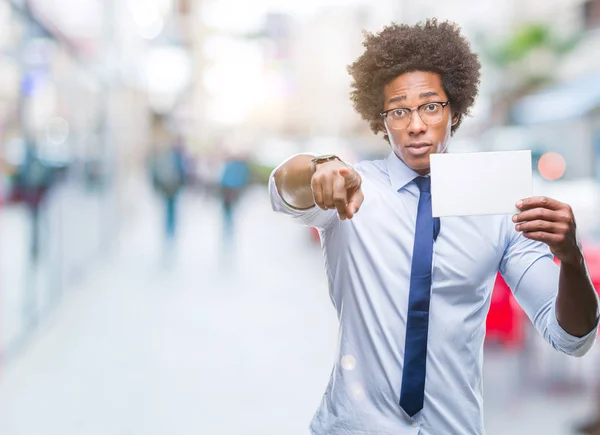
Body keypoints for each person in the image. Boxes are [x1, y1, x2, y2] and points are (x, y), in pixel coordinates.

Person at [269, 19, 599, 435]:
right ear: (380, 118)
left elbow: (572, 337)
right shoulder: (353, 189)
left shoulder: (497, 203)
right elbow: (281, 190)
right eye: (398, 110)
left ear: (454, 110)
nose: (416, 124)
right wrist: (318, 165)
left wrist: (570, 258)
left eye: (430, 106)